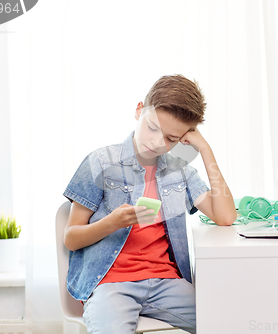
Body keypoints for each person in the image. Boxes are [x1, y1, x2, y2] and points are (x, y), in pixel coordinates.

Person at [62, 74, 237, 334]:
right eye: (153, 128)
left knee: (231, 323)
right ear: (139, 111)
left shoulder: (180, 171)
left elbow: (225, 216)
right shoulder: (99, 162)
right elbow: (71, 238)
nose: (158, 142)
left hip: (166, 283)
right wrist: (112, 223)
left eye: (171, 139)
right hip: (111, 284)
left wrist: (205, 149)